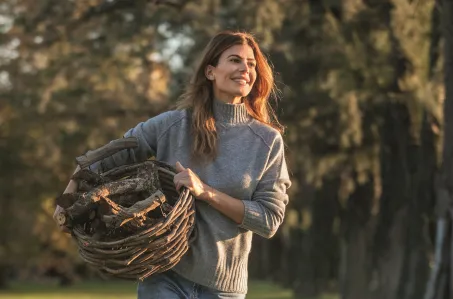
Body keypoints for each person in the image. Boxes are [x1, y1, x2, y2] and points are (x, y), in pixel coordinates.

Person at [53, 30, 291, 299]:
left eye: (251, 64)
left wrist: (206, 193)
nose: (245, 69)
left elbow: (269, 220)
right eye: (235, 60)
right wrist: (68, 200)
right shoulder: (173, 125)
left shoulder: (267, 141)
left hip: (223, 288)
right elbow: (107, 156)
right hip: (164, 278)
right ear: (211, 72)